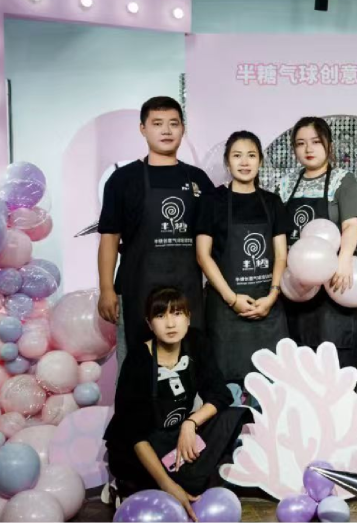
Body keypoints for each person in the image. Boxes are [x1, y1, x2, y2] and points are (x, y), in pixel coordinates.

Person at [104, 287, 251, 520]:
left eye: (177, 313)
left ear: (188, 318)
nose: (171, 323)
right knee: (173, 482)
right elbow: (134, 434)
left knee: (232, 416)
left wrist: (190, 424)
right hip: (143, 445)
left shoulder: (196, 343)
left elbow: (219, 394)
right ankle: (129, 485)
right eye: (160, 315)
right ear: (149, 324)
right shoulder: (138, 360)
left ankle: (185, 478)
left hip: (175, 435)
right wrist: (168, 485)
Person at [97, 96, 214, 367]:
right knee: (136, 369)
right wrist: (106, 288)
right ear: (143, 129)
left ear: (183, 129)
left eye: (174, 123)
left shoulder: (198, 180)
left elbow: (210, 242)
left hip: (188, 291)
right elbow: (110, 237)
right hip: (136, 289)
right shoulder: (123, 180)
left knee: (190, 367)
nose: (166, 130)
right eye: (157, 123)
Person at [196, 131, 291, 390]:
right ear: (227, 161)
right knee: (228, 389)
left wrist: (272, 296)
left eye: (251, 155)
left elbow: (281, 255)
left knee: (271, 388)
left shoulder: (272, 202)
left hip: (268, 308)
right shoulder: (212, 201)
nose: (245, 162)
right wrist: (232, 299)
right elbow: (203, 255)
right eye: (237, 156)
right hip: (225, 311)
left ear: (260, 161)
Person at [277, 116, 357, 369]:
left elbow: (351, 225)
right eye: (300, 143)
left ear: (329, 145)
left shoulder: (344, 180)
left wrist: (344, 260)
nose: (308, 149)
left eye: (316, 141)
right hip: (296, 288)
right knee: (299, 367)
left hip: (333, 286)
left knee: (335, 367)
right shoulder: (285, 185)